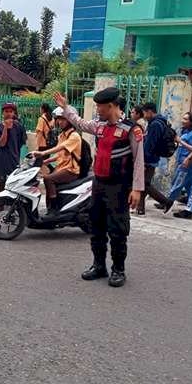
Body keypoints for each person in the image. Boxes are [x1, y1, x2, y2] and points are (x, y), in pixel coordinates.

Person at [54, 88, 144, 287]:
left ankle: (118, 270)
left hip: (119, 187)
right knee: (96, 226)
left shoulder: (131, 129)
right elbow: (79, 122)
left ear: (111, 106)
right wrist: (66, 108)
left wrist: (137, 189)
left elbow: (139, 161)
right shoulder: (99, 126)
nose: (97, 110)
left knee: (118, 229)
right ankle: (99, 266)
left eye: (100, 106)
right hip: (99, 184)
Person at [31, 108, 82, 217]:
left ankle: (53, 209)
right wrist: (46, 161)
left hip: (71, 170)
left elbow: (60, 148)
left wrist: (42, 153)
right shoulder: (62, 135)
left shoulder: (74, 136)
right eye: (58, 119)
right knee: (46, 177)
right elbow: (60, 154)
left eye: (63, 119)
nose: (60, 122)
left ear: (70, 120)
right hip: (62, 167)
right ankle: (49, 208)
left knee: (48, 179)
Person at [138, 103, 175, 215]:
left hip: (149, 158)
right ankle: (140, 209)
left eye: (144, 113)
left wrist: (143, 159)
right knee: (144, 183)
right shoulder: (161, 122)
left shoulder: (155, 125)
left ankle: (166, 202)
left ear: (150, 111)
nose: (143, 115)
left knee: (144, 184)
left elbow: (150, 144)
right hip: (154, 157)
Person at [0, 102, 27, 191]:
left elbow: (22, 143)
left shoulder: (19, 127)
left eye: (11, 111)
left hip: (14, 161)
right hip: (2, 162)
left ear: (14, 113)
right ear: (3, 113)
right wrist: (5, 128)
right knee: (1, 188)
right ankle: (0, 205)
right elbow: (2, 143)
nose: (8, 113)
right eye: (6, 111)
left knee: (13, 188)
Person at [168, 112, 192, 204]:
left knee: (177, 183)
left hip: (187, 164)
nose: (183, 121)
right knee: (189, 185)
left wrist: (188, 159)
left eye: (186, 119)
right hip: (181, 162)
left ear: (191, 122)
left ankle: (167, 202)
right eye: (183, 118)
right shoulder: (185, 132)